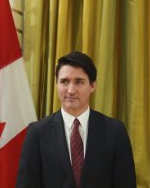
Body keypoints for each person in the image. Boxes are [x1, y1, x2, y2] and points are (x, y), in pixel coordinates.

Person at [16, 51, 136, 188]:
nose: (71, 90)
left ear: (92, 86)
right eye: (64, 82)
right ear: (56, 84)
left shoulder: (115, 132)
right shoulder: (37, 133)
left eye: (79, 82)